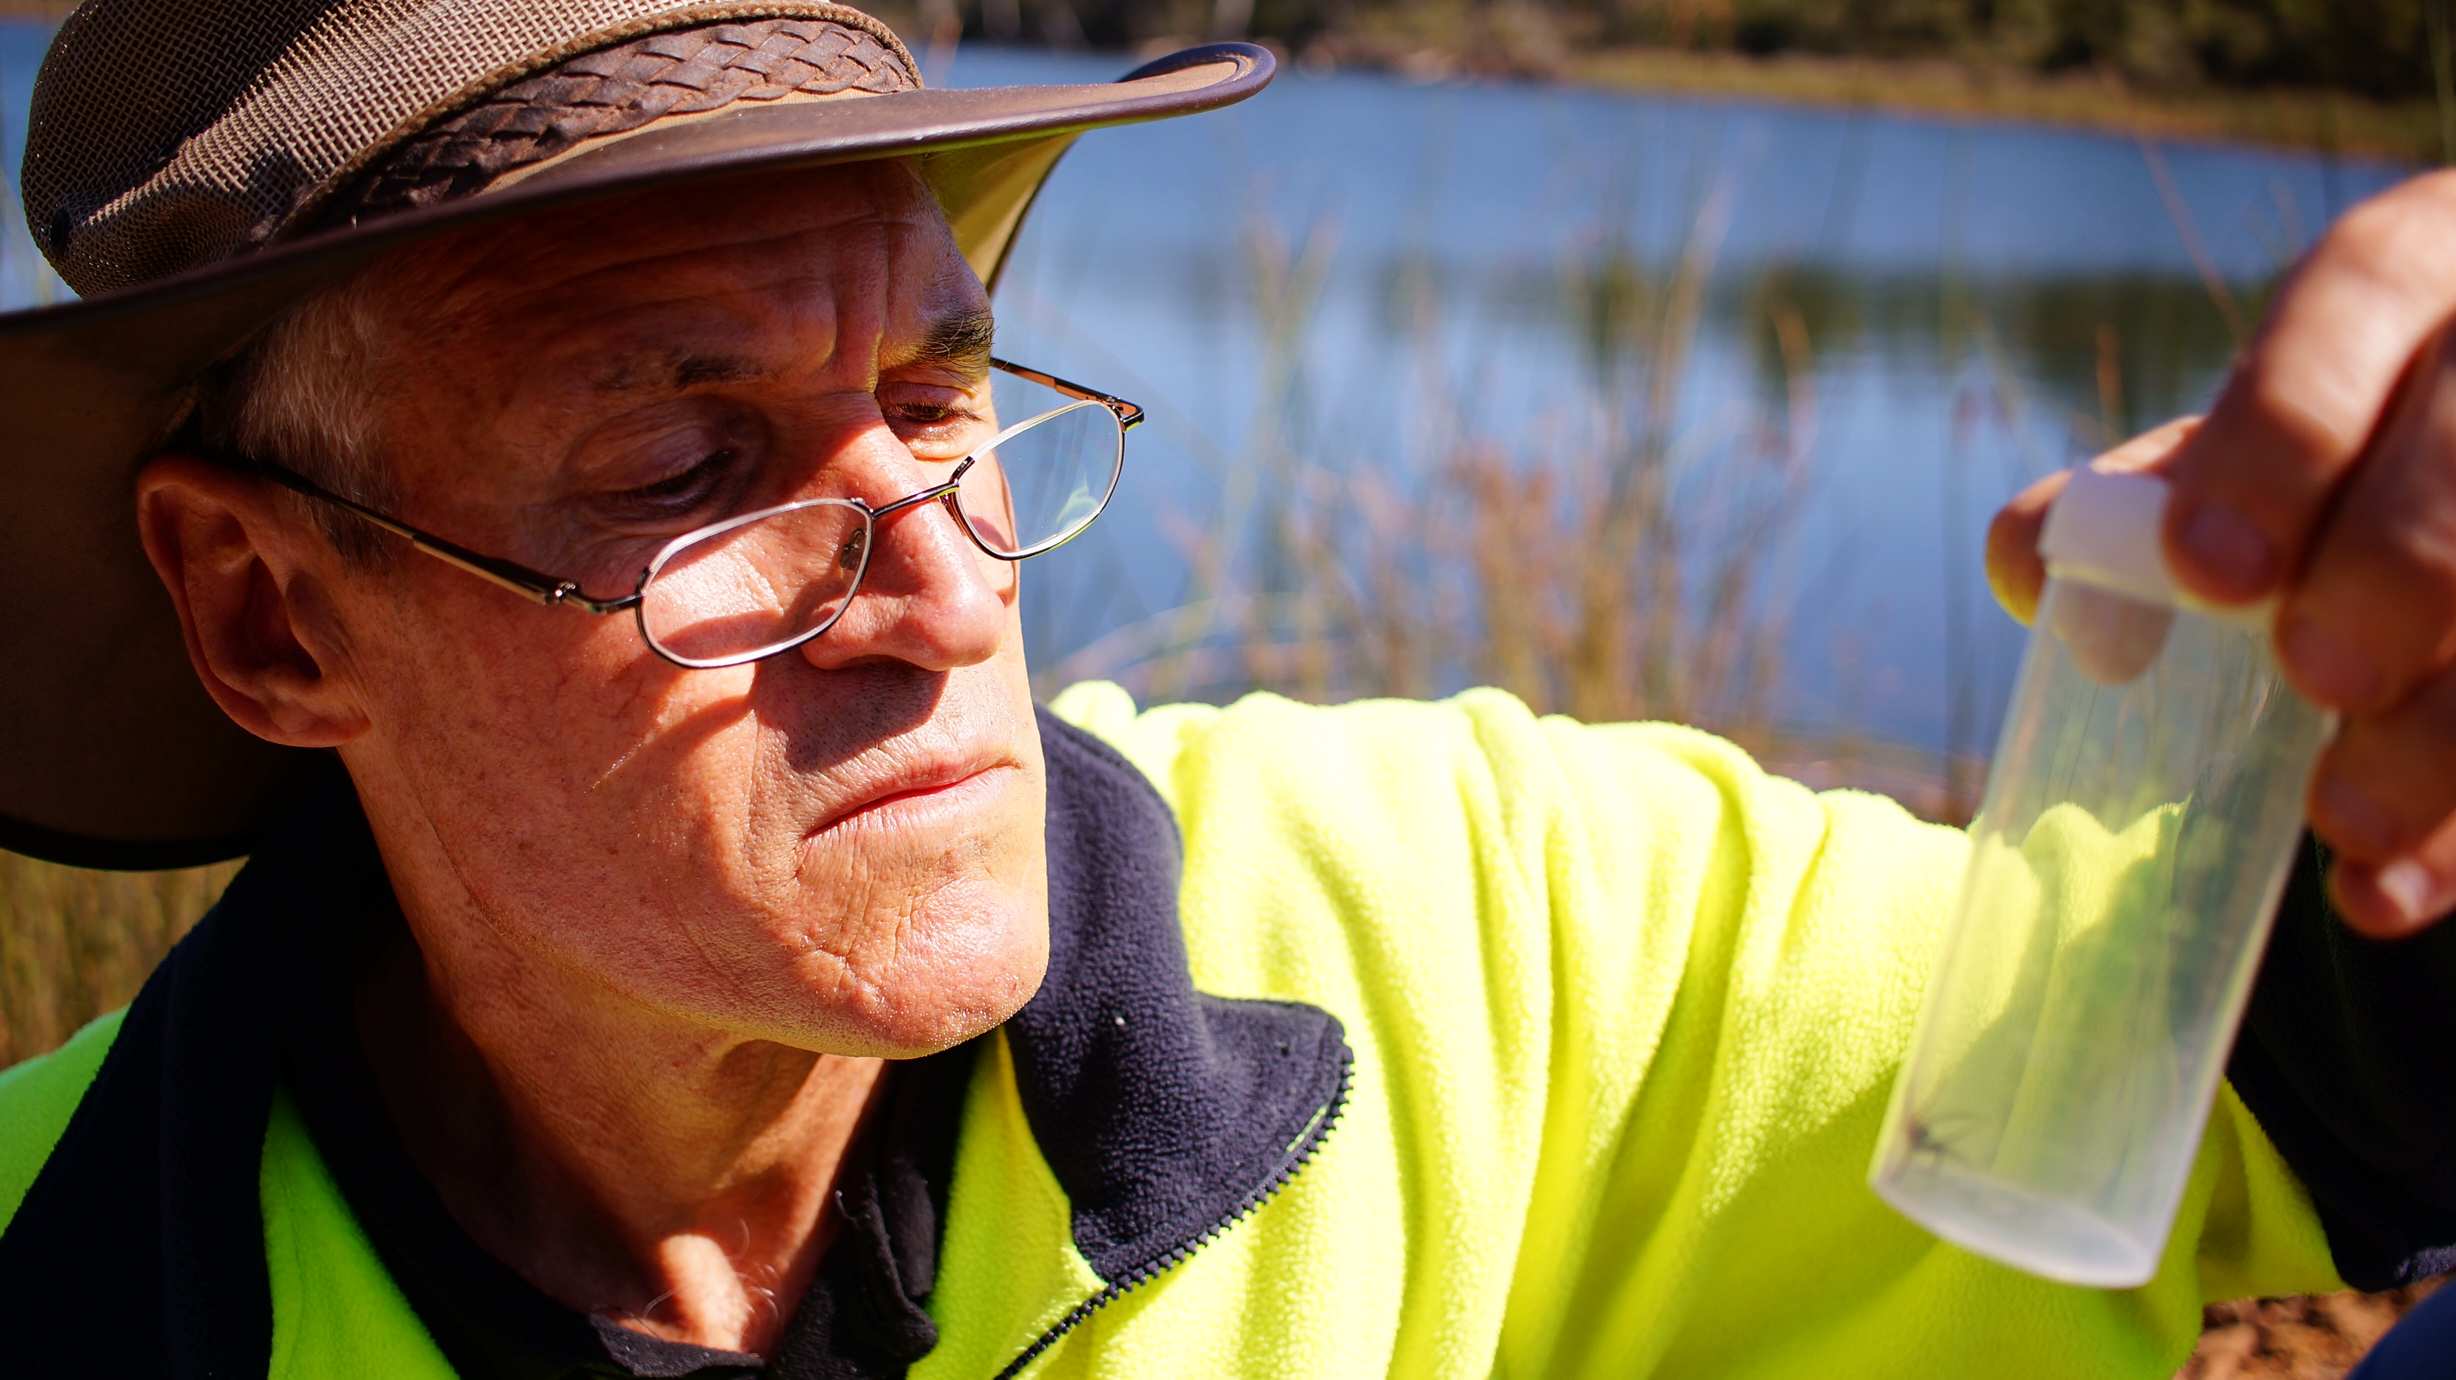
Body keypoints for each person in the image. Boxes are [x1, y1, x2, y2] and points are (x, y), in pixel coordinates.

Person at [0, 2, 2451, 1376]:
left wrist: (2398, 733)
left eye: (940, 400)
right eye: (685, 463)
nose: (940, 578)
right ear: (272, 616)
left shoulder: (1474, 931)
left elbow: (2287, 1086)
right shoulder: (59, 1266)